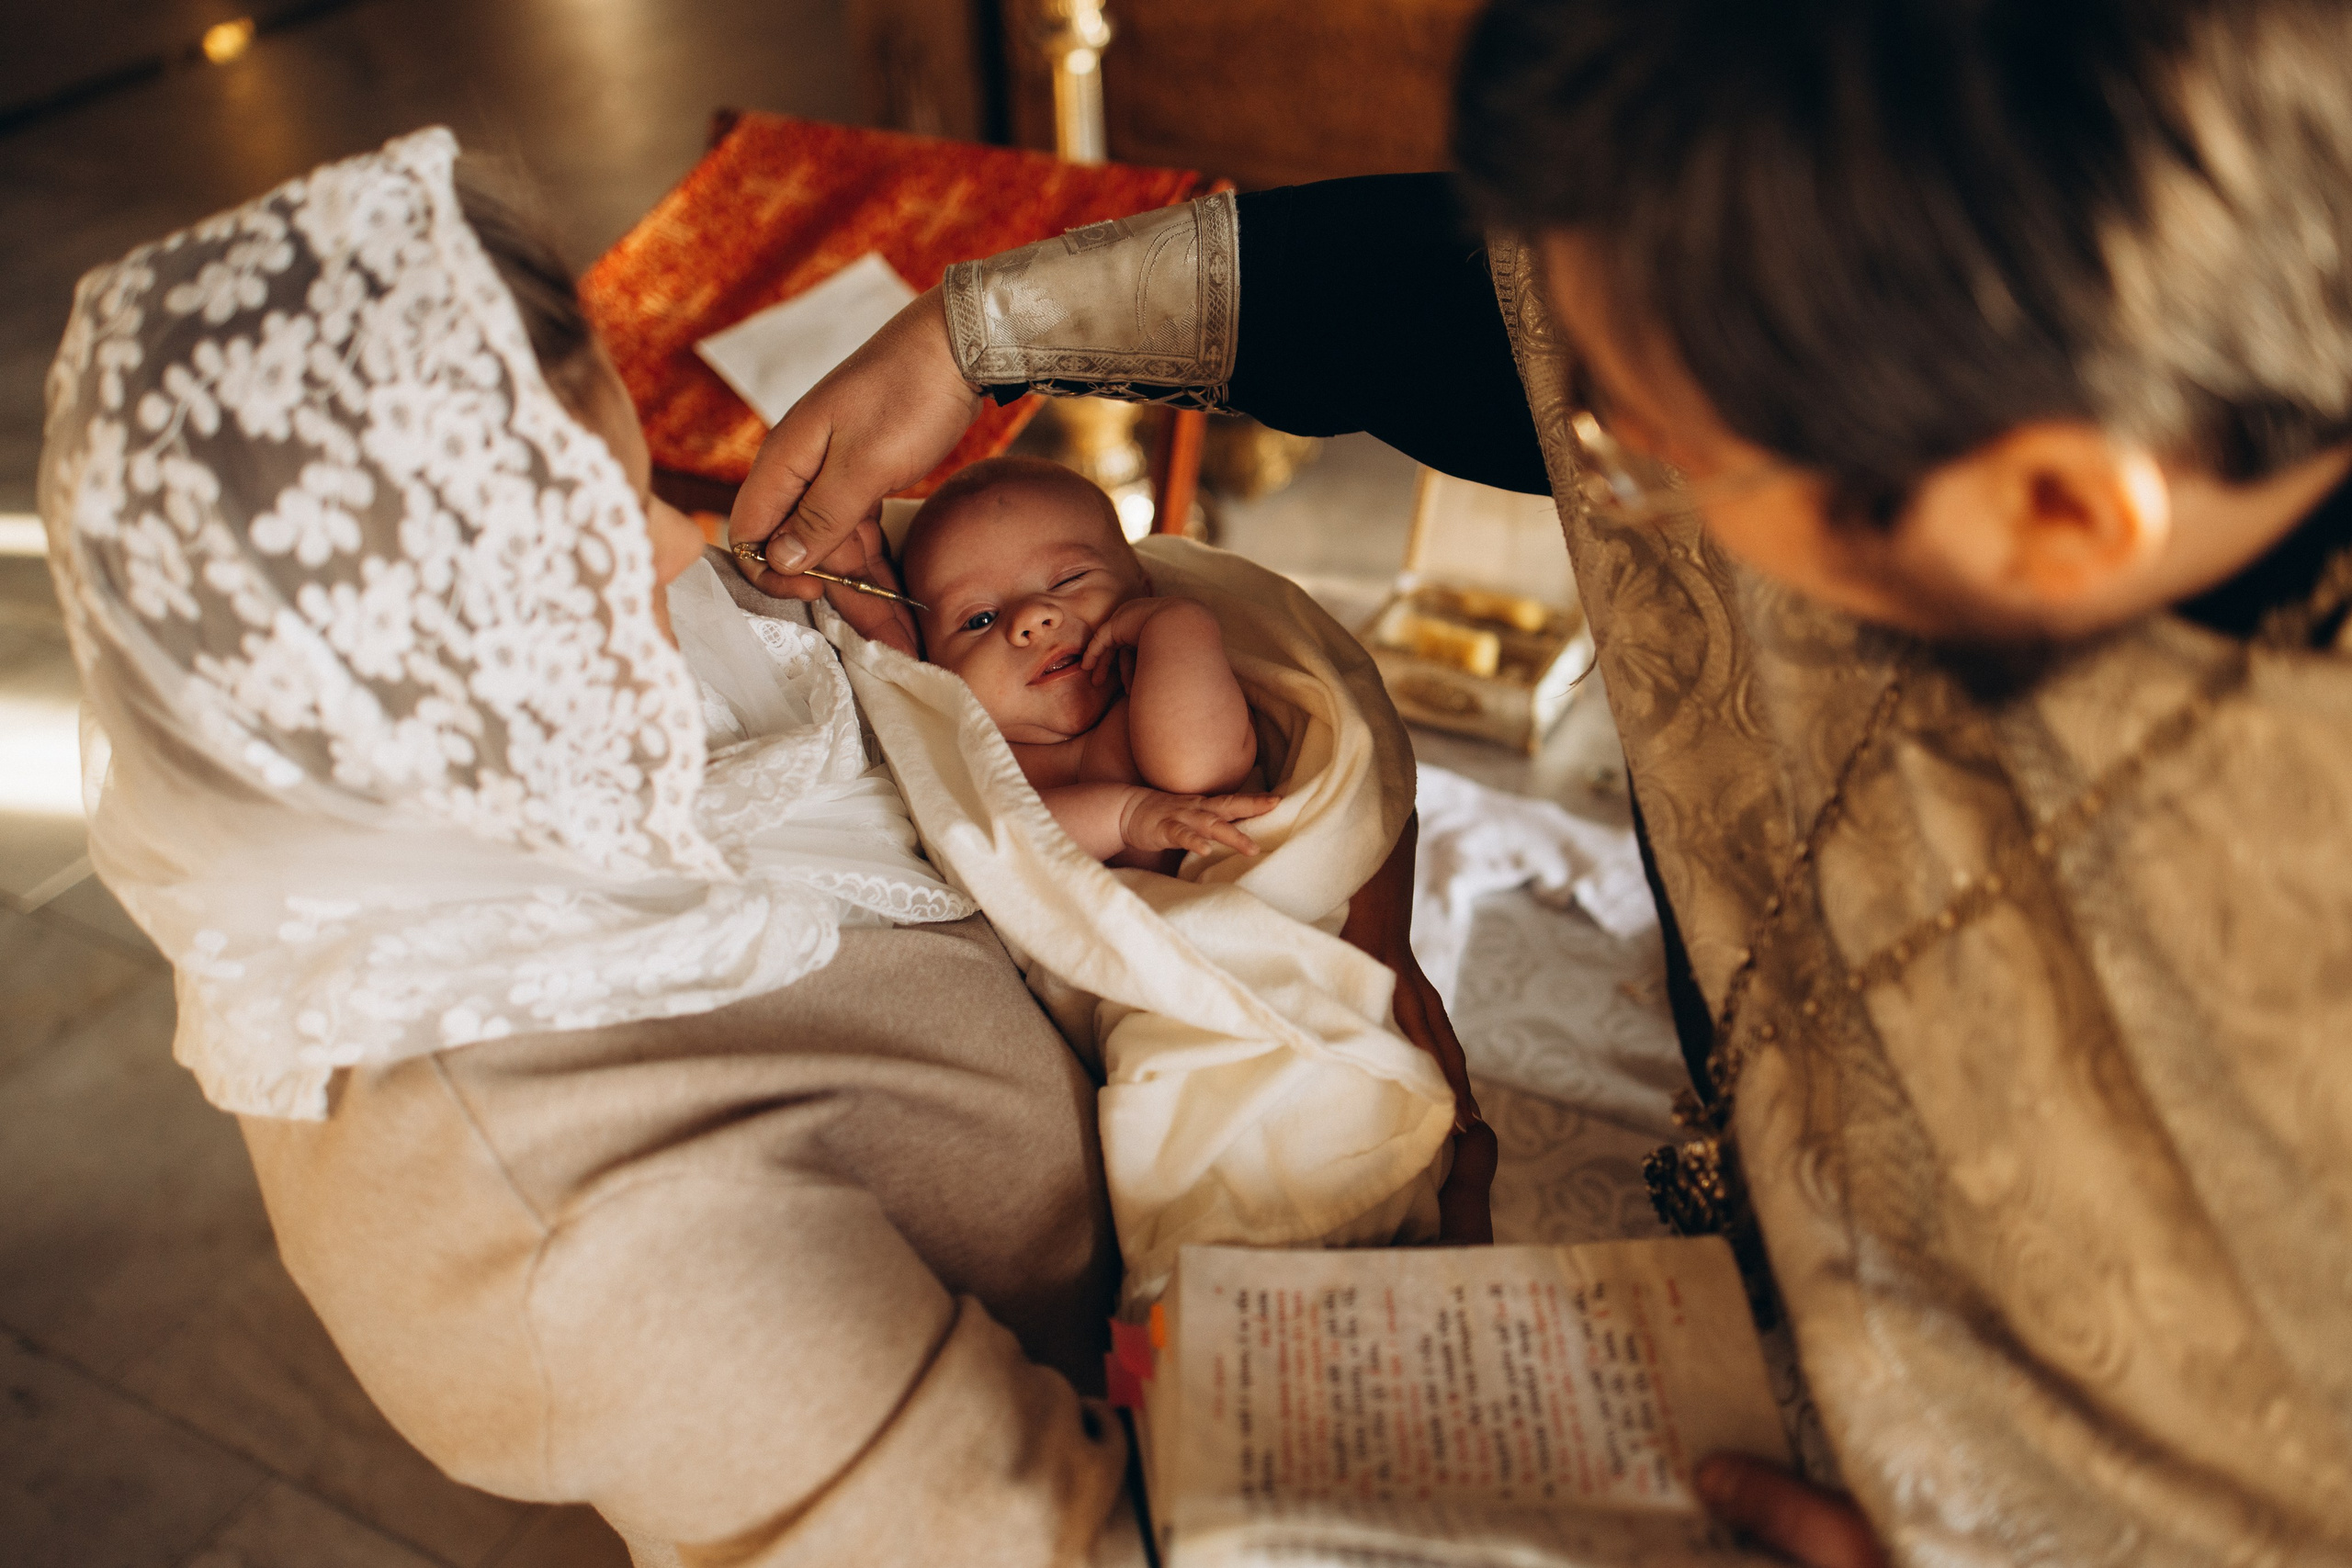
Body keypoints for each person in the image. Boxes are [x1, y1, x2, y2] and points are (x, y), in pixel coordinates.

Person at [727, 1, 2352, 1562]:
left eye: (1643, 448)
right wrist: (977, 333)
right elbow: (1466, 305)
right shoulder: (1916, 275)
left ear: (2056, 518)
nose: (1590, 454)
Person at [40, 129, 1492, 1566]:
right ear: (402, 662)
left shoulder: (537, 718)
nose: (685, 548)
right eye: (600, 533)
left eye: (637, 481)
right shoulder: (606, 1235)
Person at [902, 455, 1278, 865]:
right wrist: (1123, 816)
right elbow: (991, 846)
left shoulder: (1163, 681)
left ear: (1142, 587)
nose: (1033, 617)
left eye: (1068, 579)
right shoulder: (974, 755)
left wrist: (1179, 625)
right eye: (980, 619)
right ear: (933, 667)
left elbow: (1199, 773)